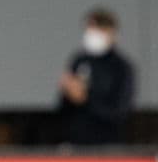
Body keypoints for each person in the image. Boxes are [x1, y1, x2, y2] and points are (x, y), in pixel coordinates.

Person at [57, 8, 136, 145]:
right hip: (75, 143)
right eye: (89, 30)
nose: (92, 35)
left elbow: (119, 112)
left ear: (111, 33)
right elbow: (63, 109)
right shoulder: (80, 60)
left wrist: (85, 99)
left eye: (98, 30)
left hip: (108, 145)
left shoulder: (121, 67)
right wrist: (67, 93)